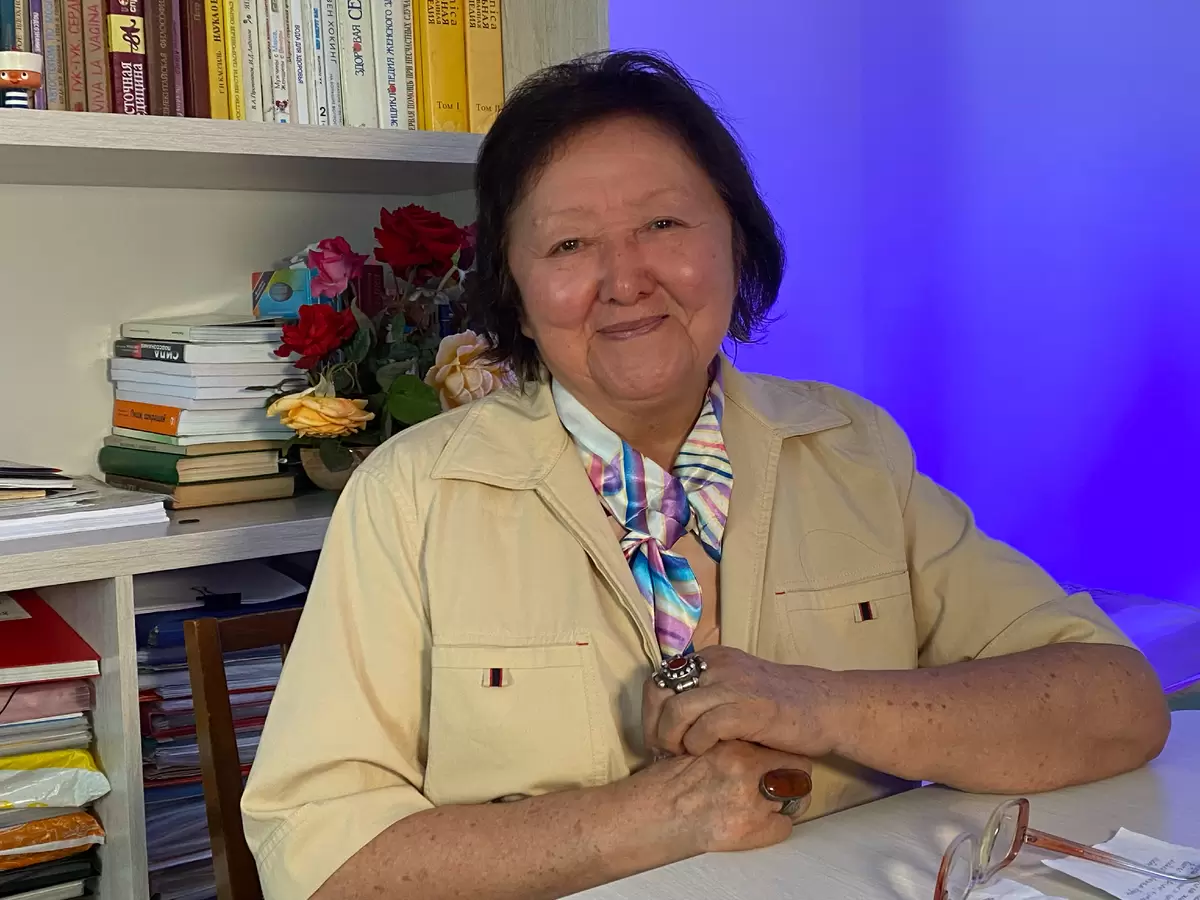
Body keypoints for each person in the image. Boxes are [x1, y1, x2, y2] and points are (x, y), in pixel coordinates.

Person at [240, 50, 1171, 900]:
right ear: (514, 291)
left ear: (736, 241)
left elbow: (1115, 703)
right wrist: (658, 817)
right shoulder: (412, 495)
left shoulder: (852, 448)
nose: (625, 279)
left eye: (663, 223)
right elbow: (315, 858)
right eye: (567, 246)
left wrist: (816, 703)